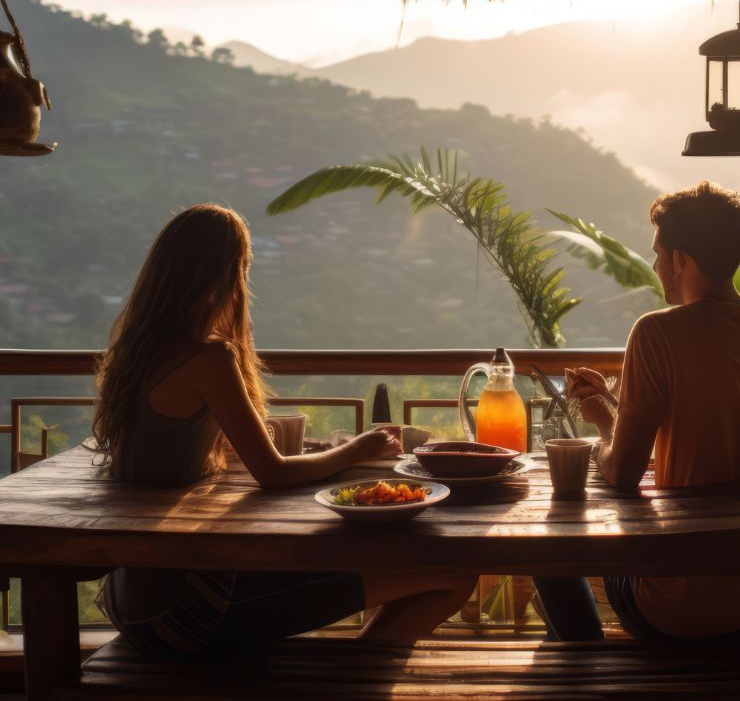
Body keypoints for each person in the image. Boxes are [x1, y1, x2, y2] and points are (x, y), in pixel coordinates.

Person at [93, 203, 475, 657]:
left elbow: (179, 450)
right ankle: (355, 683)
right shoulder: (206, 357)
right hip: (185, 606)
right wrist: (358, 448)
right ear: (229, 274)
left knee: (380, 570)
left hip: (132, 597)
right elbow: (272, 474)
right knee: (454, 574)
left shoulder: (138, 352)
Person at [535, 181, 740, 642]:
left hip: (682, 609)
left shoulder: (656, 333)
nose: (656, 266)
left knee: (546, 556)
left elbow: (622, 472)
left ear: (681, 260)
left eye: (658, 254)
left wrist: (601, 422)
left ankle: (586, 672)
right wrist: (618, 408)